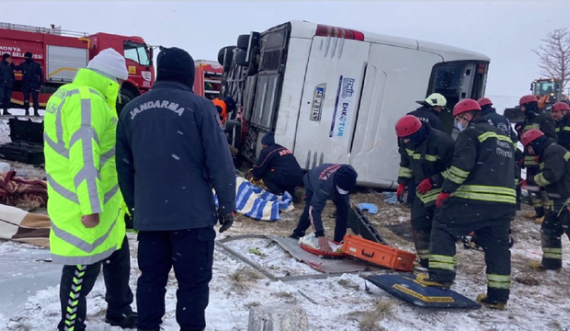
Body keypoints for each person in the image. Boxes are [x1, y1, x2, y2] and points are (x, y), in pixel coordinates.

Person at [116, 46, 236, 331]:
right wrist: (227, 205)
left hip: (150, 219)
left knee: (151, 281)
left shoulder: (131, 110)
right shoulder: (200, 107)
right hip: (192, 219)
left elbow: (123, 166)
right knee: (193, 286)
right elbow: (220, 162)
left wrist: (135, 206)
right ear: (186, 75)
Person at [43, 48, 136, 331]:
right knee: (82, 267)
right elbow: (84, 157)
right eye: (120, 82)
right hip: (85, 203)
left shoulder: (70, 95)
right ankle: (71, 325)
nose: (120, 88)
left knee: (118, 255)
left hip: (107, 202)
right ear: (112, 79)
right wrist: (90, 208)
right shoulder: (87, 101)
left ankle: (119, 310)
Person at [420, 99, 516, 310]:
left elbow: (462, 167)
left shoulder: (471, 134)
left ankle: (441, 277)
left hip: (475, 199)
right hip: (504, 204)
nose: (458, 124)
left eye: (458, 119)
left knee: (443, 226)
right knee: (497, 247)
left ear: (467, 116)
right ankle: (498, 296)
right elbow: (513, 172)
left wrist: (446, 190)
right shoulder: (504, 138)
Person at [395, 115, 455, 271]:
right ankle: (426, 261)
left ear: (417, 133)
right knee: (418, 224)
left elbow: (456, 170)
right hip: (421, 191)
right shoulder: (406, 141)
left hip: (443, 192)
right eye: (403, 139)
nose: (405, 142)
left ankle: (442, 267)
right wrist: (402, 182)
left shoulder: (443, 143)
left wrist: (433, 180)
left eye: (407, 138)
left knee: (439, 229)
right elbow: (406, 163)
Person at [520, 129, 570, 271]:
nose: (530, 152)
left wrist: (531, 181)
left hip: (566, 200)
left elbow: (551, 176)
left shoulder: (553, 151)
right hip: (559, 200)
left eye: (529, 148)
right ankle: (551, 264)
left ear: (535, 144)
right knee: (549, 230)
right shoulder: (549, 152)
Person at [289, 164, 358, 253]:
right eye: (341, 189)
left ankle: (338, 241)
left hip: (335, 182)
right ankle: (298, 233)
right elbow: (314, 210)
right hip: (312, 180)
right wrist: (320, 235)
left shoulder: (350, 174)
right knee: (309, 208)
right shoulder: (323, 186)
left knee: (344, 209)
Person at [403, 93, 447, 207]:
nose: (441, 110)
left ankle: (411, 202)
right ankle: (422, 204)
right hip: (427, 155)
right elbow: (439, 138)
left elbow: (402, 136)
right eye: (440, 107)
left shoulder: (410, 115)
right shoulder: (434, 119)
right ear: (435, 105)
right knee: (424, 178)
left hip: (410, 152)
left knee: (413, 174)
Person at [252, 132, 304, 198]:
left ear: (265, 144)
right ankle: (292, 194)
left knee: (265, 174)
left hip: (286, 176)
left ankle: (278, 193)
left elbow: (259, 167)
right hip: (298, 177)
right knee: (279, 175)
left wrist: (255, 176)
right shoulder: (281, 148)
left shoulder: (267, 151)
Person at [18, 51, 44, 116]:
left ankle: (36, 111)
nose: (26, 58)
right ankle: (27, 111)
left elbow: (41, 75)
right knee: (26, 99)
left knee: (35, 98)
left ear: (30, 57)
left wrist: (41, 84)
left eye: (27, 57)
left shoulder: (37, 65)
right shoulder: (23, 64)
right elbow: (16, 68)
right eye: (25, 57)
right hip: (26, 84)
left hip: (34, 84)